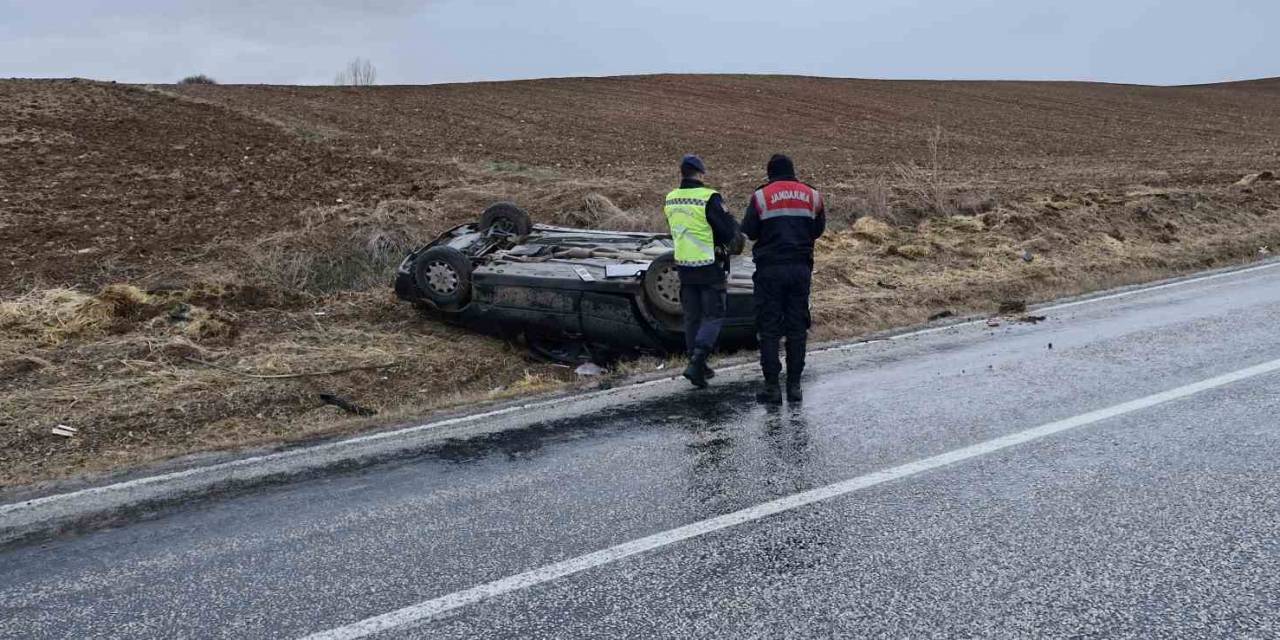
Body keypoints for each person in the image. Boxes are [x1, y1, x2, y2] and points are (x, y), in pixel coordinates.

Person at [741, 154, 826, 403]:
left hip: (769, 270)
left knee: (769, 328)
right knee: (797, 327)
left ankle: (772, 388)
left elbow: (750, 230)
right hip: (800, 269)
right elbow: (818, 230)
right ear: (793, 170)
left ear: (769, 173)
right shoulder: (812, 195)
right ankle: (795, 386)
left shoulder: (761, 196)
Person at [663, 154, 740, 388]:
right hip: (709, 265)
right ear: (699, 173)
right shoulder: (709, 197)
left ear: (682, 172)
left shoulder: (671, 198)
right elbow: (728, 231)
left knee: (692, 317)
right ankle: (697, 362)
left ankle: (697, 363)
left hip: (683, 266)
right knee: (713, 315)